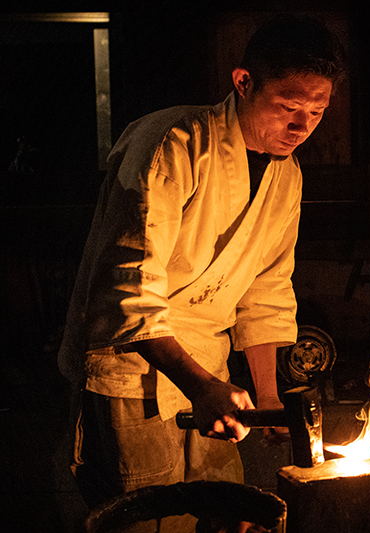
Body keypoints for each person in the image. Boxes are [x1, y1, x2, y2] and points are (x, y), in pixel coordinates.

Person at [57, 14, 345, 512]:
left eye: (317, 112)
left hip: (210, 370)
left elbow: (266, 289)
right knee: (147, 516)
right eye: (288, 107)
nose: (301, 126)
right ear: (243, 81)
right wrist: (201, 386)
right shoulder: (174, 141)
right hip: (132, 369)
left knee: (224, 512)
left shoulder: (287, 175)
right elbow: (130, 287)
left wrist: (270, 397)